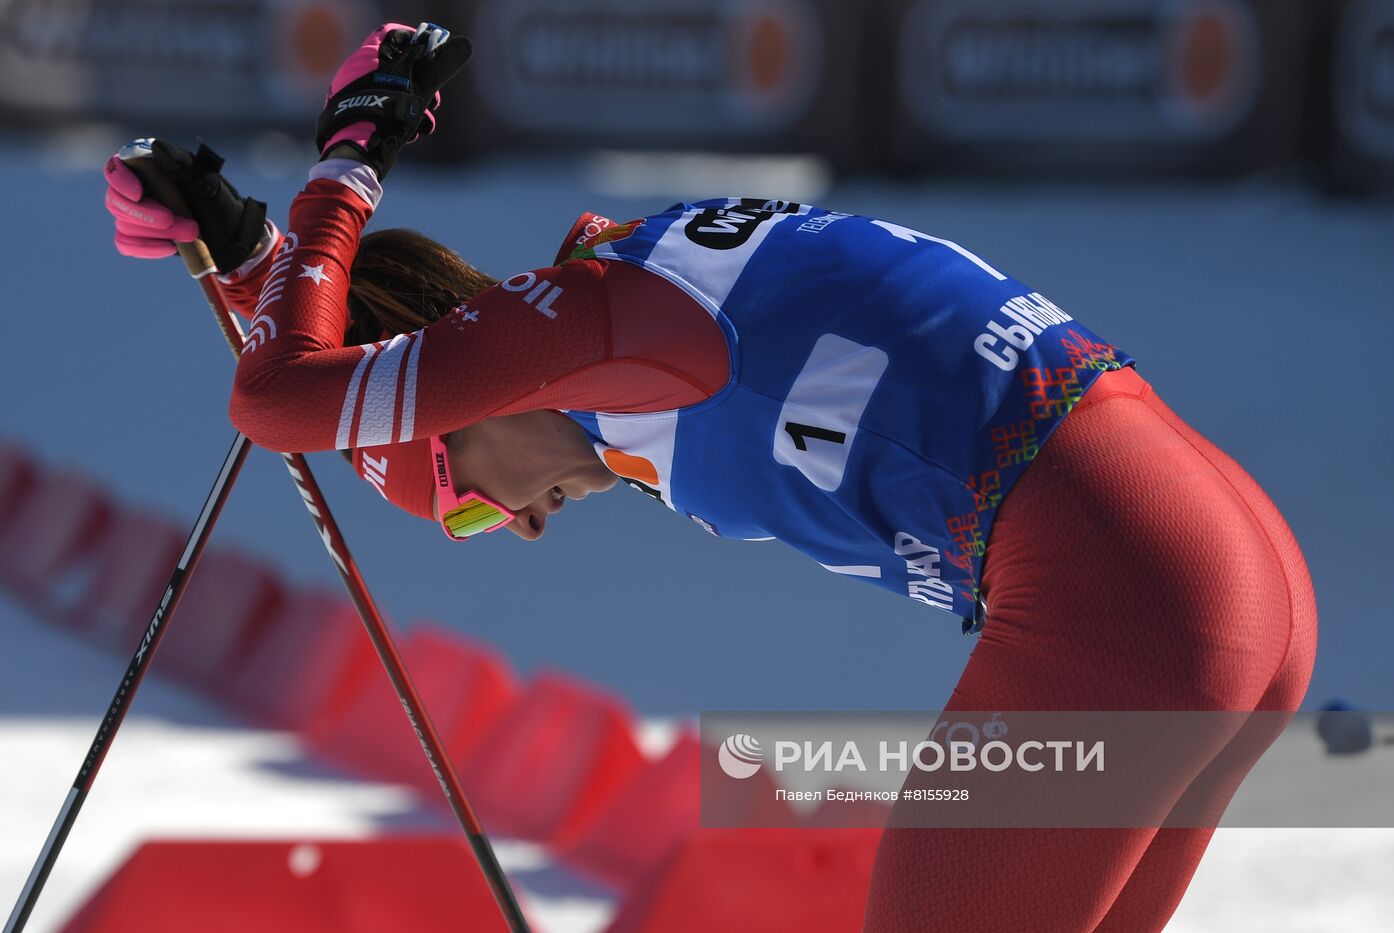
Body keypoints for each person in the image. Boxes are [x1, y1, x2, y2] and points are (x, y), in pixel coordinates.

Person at [102, 22, 1317, 933]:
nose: (516, 530)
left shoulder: (593, 325)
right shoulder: (609, 336)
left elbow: (281, 401)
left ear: (455, 418)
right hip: (1214, 572)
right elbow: (345, 354)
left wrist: (350, 160)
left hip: (1129, 591)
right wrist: (245, 251)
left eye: (464, 505)